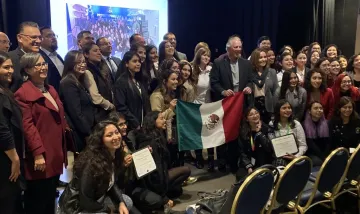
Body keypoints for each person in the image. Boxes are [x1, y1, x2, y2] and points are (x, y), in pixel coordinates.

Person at [14, 53, 68, 214]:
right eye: (38, 65)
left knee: (50, 196)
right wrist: (38, 153)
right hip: (41, 155)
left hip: (55, 152)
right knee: (38, 201)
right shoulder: (23, 94)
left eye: (44, 64)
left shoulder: (50, 89)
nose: (43, 67)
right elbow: (28, 127)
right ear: (28, 70)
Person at [58, 121, 133, 214]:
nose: (116, 137)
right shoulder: (91, 164)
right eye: (109, 135)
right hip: (76, 207)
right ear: (101, 140)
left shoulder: (114, 156)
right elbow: (85, 200)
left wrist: (120, 203)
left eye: (117, 132)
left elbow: (111, 184)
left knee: (127, 201)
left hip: (97, 198)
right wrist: (108, 210)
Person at [210, 35, 252, 173]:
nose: (238, 50)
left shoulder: (246, 63)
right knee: (223, 132)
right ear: (228, 48)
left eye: (240, 47)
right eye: (236, 47)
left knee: (238, 133)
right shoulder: (218, 63)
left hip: (241, 104)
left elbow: (251, 80)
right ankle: (222, 162)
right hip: (225, 105)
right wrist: (222, 92)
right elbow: (214, 82)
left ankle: (235, 161)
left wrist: (249, 87)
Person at [135, 111, 191, 212]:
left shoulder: (158, 136)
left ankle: (165, 192)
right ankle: (160, 195)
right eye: (161, 118)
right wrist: (163, 198)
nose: (164, 120)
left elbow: (165, 163)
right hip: (153, 181)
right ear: (153, 122)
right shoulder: (148, 141)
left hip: (162, 175)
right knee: (177, 186)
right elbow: (151, 175)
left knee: (179, 187)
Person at [0, 51, 24, 214]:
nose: (11, 71)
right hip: (5, 159)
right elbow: (2, 129)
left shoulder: (5, 91)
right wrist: (15, 158)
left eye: (11, 67)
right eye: (6, 67)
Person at [60, 50, 95, 153]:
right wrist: (88, 134)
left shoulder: (79, 80)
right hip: (80, 133)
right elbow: (76, 113)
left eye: (84, 62)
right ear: (70, 64)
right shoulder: (68, 83)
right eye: (78, 62)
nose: (83, 65)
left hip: (87, 130)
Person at [114, 51, 150, 130]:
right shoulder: (121, 82)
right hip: (130, 126)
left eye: (139, 61)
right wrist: (135, 123)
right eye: (134, 61)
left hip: (142, 124)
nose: (138, 64)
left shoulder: (138, 80)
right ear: (126, 64)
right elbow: (121, 106)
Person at [191, 47, 214, 169]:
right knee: (198, 134)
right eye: (204, 55)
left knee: (210, 132)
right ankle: (199, 158)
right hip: (196, 106)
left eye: (208, 56)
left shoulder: (212, 69)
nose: (206, 58)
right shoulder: (193, 70)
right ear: (199, 56)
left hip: (210, 105)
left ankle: (211, 159)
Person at [236, 107, 274, 181]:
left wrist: (259, 133)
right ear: (247, 119)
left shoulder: (267, 128)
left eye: (256, 113)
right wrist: (248, 166)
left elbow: (269, 148)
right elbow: (242, 152)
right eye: (251, 114)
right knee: (242, 177)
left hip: (264, 162)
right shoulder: (243, 132)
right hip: (249, 161)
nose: (255, 116)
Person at [83, 42, 114, 122]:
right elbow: (96, 98)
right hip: (99, 115)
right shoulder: (87, 72)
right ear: (86, 54)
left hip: (106, 113)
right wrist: (111, 106)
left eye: (99, 50)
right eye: (95, 51)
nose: (99, 53)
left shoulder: (100, 69)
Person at [270, 100, 307, 166]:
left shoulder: (296, 124)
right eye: (284, 108)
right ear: (278, 110)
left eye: (289, 108)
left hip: (294, 155)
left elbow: (303, 145)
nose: (288, 110)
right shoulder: (272, 124)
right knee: (279, 163)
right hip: (279, 157)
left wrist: (296, 156)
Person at [8, 21, 42, 92]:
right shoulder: (9, 59)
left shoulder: (42, 58)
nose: (38, 41)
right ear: (20, 38)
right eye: (34, 37)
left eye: (40, 37)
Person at [248, 48, 278, 124]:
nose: (263, 59)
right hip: (253, 106)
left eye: (265, 57)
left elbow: (275, 92)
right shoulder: (248, 72)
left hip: (268, 106)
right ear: (255, 59)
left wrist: (275, 109)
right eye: (260, 58)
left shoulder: (272, 72)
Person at [302, 101, 330, 166]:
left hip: (325, 152)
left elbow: (328, 142)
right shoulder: (304, 125)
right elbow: (310, 144)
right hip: (311, 153)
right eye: (315, 108)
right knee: (318, 162)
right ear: (309, 111)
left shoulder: (327, 123)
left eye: (321, 108)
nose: (319, 110)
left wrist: (326, 155)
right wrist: (323, 157)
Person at [39, 26, 64, 92]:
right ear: (40, 39)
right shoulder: (39, 57)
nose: (53, 38)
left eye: (54, 35)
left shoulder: (58, 56)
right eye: (49, 36)